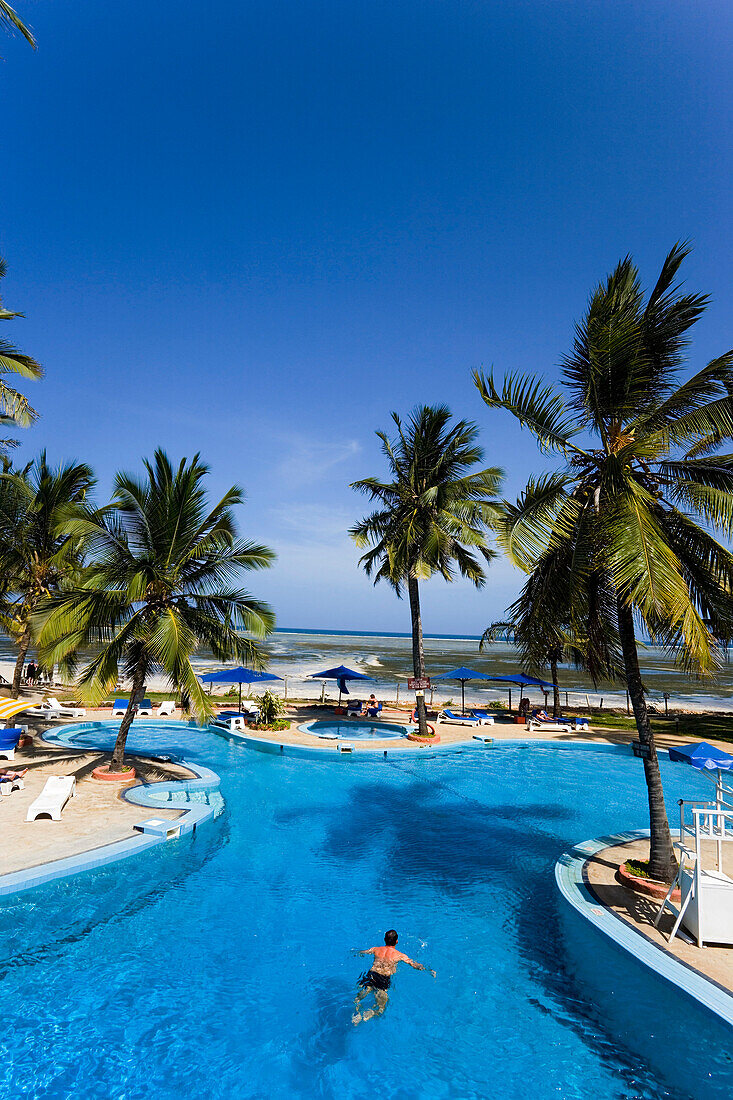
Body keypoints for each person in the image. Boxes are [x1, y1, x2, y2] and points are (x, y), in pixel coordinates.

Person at [352, 929, 435, 1024]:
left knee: (359, 997)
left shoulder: (375, 949)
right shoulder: (400, 955)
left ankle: (357, 1012)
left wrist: (357, 953)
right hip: (383, 979)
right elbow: (414, 965)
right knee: (381, 1007)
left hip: (371, 975)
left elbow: (362, 952)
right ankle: (372, 1012)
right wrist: (428, 970)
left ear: (384, 939)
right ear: (397, 941)